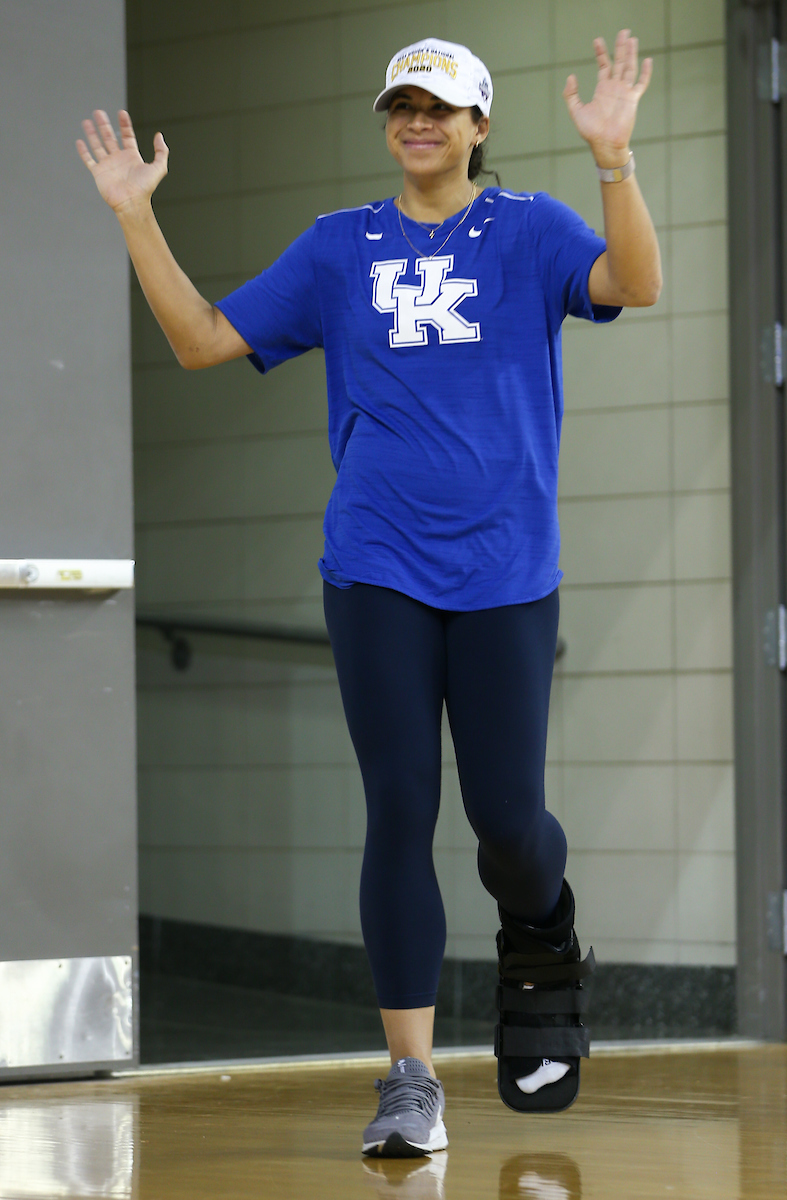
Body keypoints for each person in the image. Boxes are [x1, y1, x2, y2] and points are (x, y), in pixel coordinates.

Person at [77, 29, 660, 1158]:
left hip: (504, 572)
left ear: (478, 126)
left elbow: (632, 283)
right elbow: (201, 340)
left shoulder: (531, 229)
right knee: (398, 806)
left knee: (507, 823)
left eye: (439, 107)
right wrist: (134, 215)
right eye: (401, 105)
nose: (417, 122)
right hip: (376, 566)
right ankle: (409, 1081)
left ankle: (540, 933)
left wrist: (613, 160)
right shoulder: (337, 247)